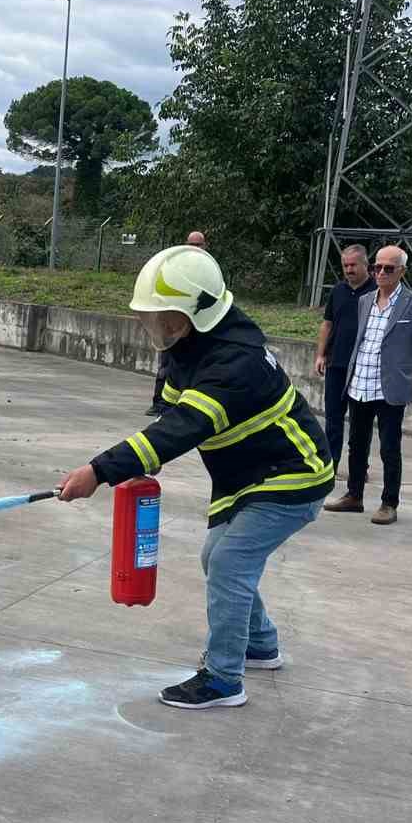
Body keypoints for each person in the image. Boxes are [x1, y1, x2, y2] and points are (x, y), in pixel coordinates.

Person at [58, 245, 334, 710]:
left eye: (167, 318)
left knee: (229, 563)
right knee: (217, 557)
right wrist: (148, 456)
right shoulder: (188, 345)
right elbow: (171, 410)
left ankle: (224, 679)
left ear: (199, 312)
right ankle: (260, 645)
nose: (160, 330)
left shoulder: (235, 361)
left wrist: (99, 470)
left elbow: (184, 427)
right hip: (248, 475)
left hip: (292, 477)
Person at [323, 245, 412, 525]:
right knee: (356, 444)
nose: (381, 273)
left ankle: (388, 503)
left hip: (389, 388)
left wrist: (403, 373)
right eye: (377, 267)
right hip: (359, 383)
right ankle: (354, 496)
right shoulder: (365, 301)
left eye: (389, 268)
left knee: (389, 448)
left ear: (402, 271)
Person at [311, 243, 376, 464]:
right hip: (336, 363)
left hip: (363, 366)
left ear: (365, 265)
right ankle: (331, 462)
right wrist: (321, 355)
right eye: (345, 265)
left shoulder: (377, 292)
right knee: (333, 418)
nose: (349, 270)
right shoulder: (338, 291)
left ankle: (359, 466)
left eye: (353, 265)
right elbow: (327, 324)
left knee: (361, 423)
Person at [148, 230, 207, 415]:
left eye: (198, 245)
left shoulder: (208, 268)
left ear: (204, 246)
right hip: (174, 321)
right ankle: (159, 403)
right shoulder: (177, 265)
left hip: (195, 323)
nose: (195, 248)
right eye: (192, 244)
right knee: (166, 365)